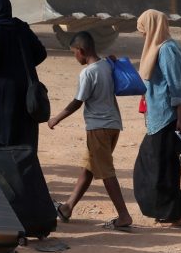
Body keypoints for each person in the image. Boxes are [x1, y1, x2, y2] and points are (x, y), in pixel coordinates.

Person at [47, 31, 132, 231]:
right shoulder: (106, 65)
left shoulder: (88, 72)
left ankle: (124, 215)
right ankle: (67, 207)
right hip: (113, 126)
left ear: (82, 51)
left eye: (74, 53)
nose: (74, 56)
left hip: (98, 128)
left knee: (106, 172)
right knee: (89, 167)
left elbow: (78, 101)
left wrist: (56, 119)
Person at [132, 9, 181, 228]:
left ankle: (171, 211)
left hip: (169, 117)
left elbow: (176, 86)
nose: (142, 36)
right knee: (157, 164)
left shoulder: (167, 49)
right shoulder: (155, 49)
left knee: (161, 166)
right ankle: (170, 209)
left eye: (144, 30)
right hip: (158, 116)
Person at [0, 0, 47, 149]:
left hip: (2, 91)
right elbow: (41, 53)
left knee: (2, 131)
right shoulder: (21, 27)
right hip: (26, 88)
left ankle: (2, 168)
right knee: (23, 132)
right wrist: (22, 63)